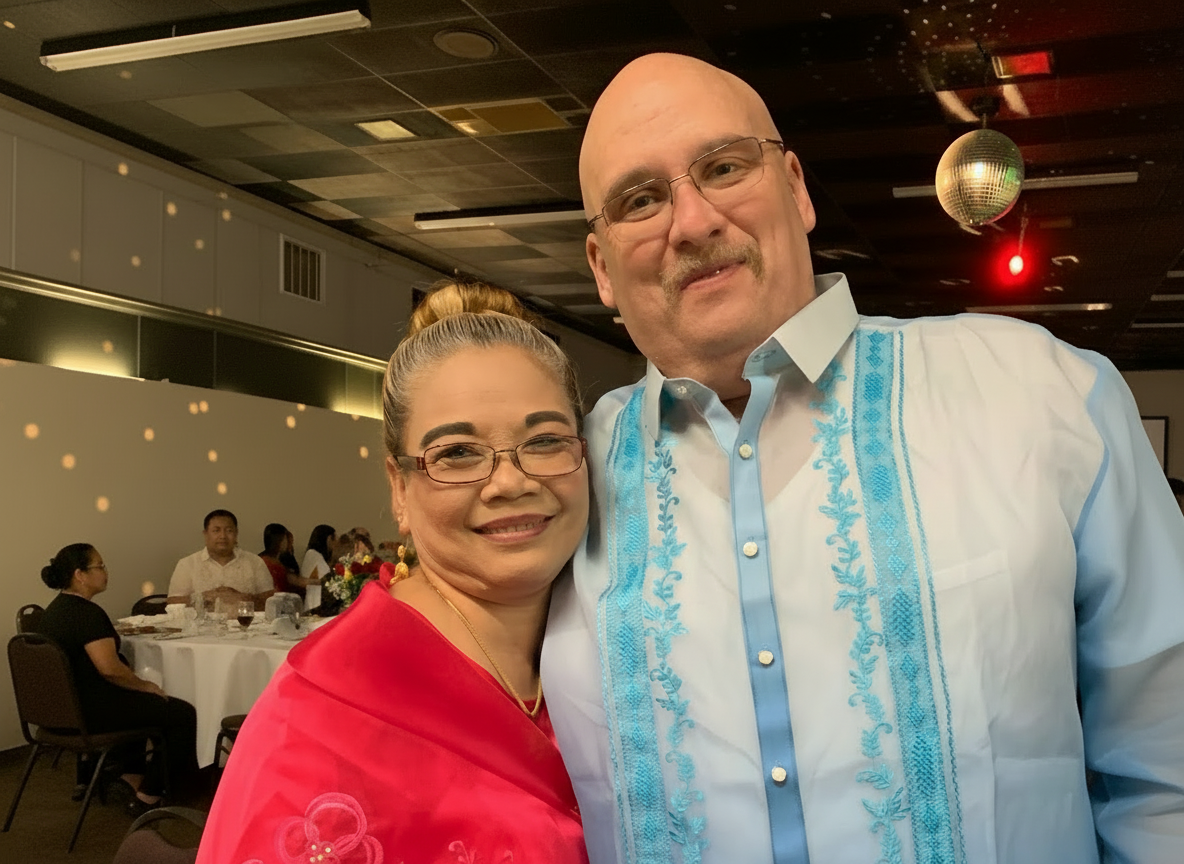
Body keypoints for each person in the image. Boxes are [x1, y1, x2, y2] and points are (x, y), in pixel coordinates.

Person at [542, 53, 1184, 864]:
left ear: (797, 188)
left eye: (725, 166)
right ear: (600, 266)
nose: (695, 220)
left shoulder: (1042, 396)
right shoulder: (554, 478)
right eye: (640, 199)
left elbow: (1168, 775)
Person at [196, 282, 591, 863]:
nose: (511, 482)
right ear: (399, 488)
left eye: (546, 440)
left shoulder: (619, 654)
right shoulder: (320, 714)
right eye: (457, 452)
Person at [37, 543, 199, 815]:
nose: (105, 571)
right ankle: (148, 795)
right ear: (80, 574)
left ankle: (131, 774)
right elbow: (109, 668)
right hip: (89, 711)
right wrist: (145, 685)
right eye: (99, 566)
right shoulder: (86, 614)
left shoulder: (54, 611)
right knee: (181, 713)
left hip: (61, 711)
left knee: (141, 700)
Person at [165, 509, 274, 609]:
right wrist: (205, 597)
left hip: (248, 627)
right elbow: (172, 603)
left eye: (229, 531)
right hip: (202, 628)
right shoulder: (187, 564)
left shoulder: (254, 562)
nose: (223, 536)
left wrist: (242, 598)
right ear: (205, 535)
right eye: (216, 531)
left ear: (236, 534)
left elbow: (271, 602)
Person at [259, 522, 299, 595]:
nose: (288, 542)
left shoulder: (283, 559)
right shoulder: (266, 563)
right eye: (285, 539)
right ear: (278, 541)